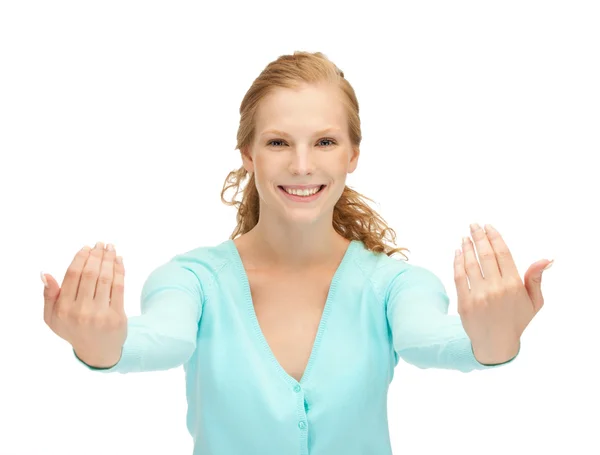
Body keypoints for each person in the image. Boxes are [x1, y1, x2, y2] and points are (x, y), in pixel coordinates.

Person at [41, 51, 553, 455]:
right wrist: (101, 346)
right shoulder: (193, 279)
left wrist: (492, 340)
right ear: (248, 154)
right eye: (279, 143)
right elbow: (161, 339)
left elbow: (431, 338)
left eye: (325, 142)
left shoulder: (396, 285)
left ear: (353, 154)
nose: (303, 165)